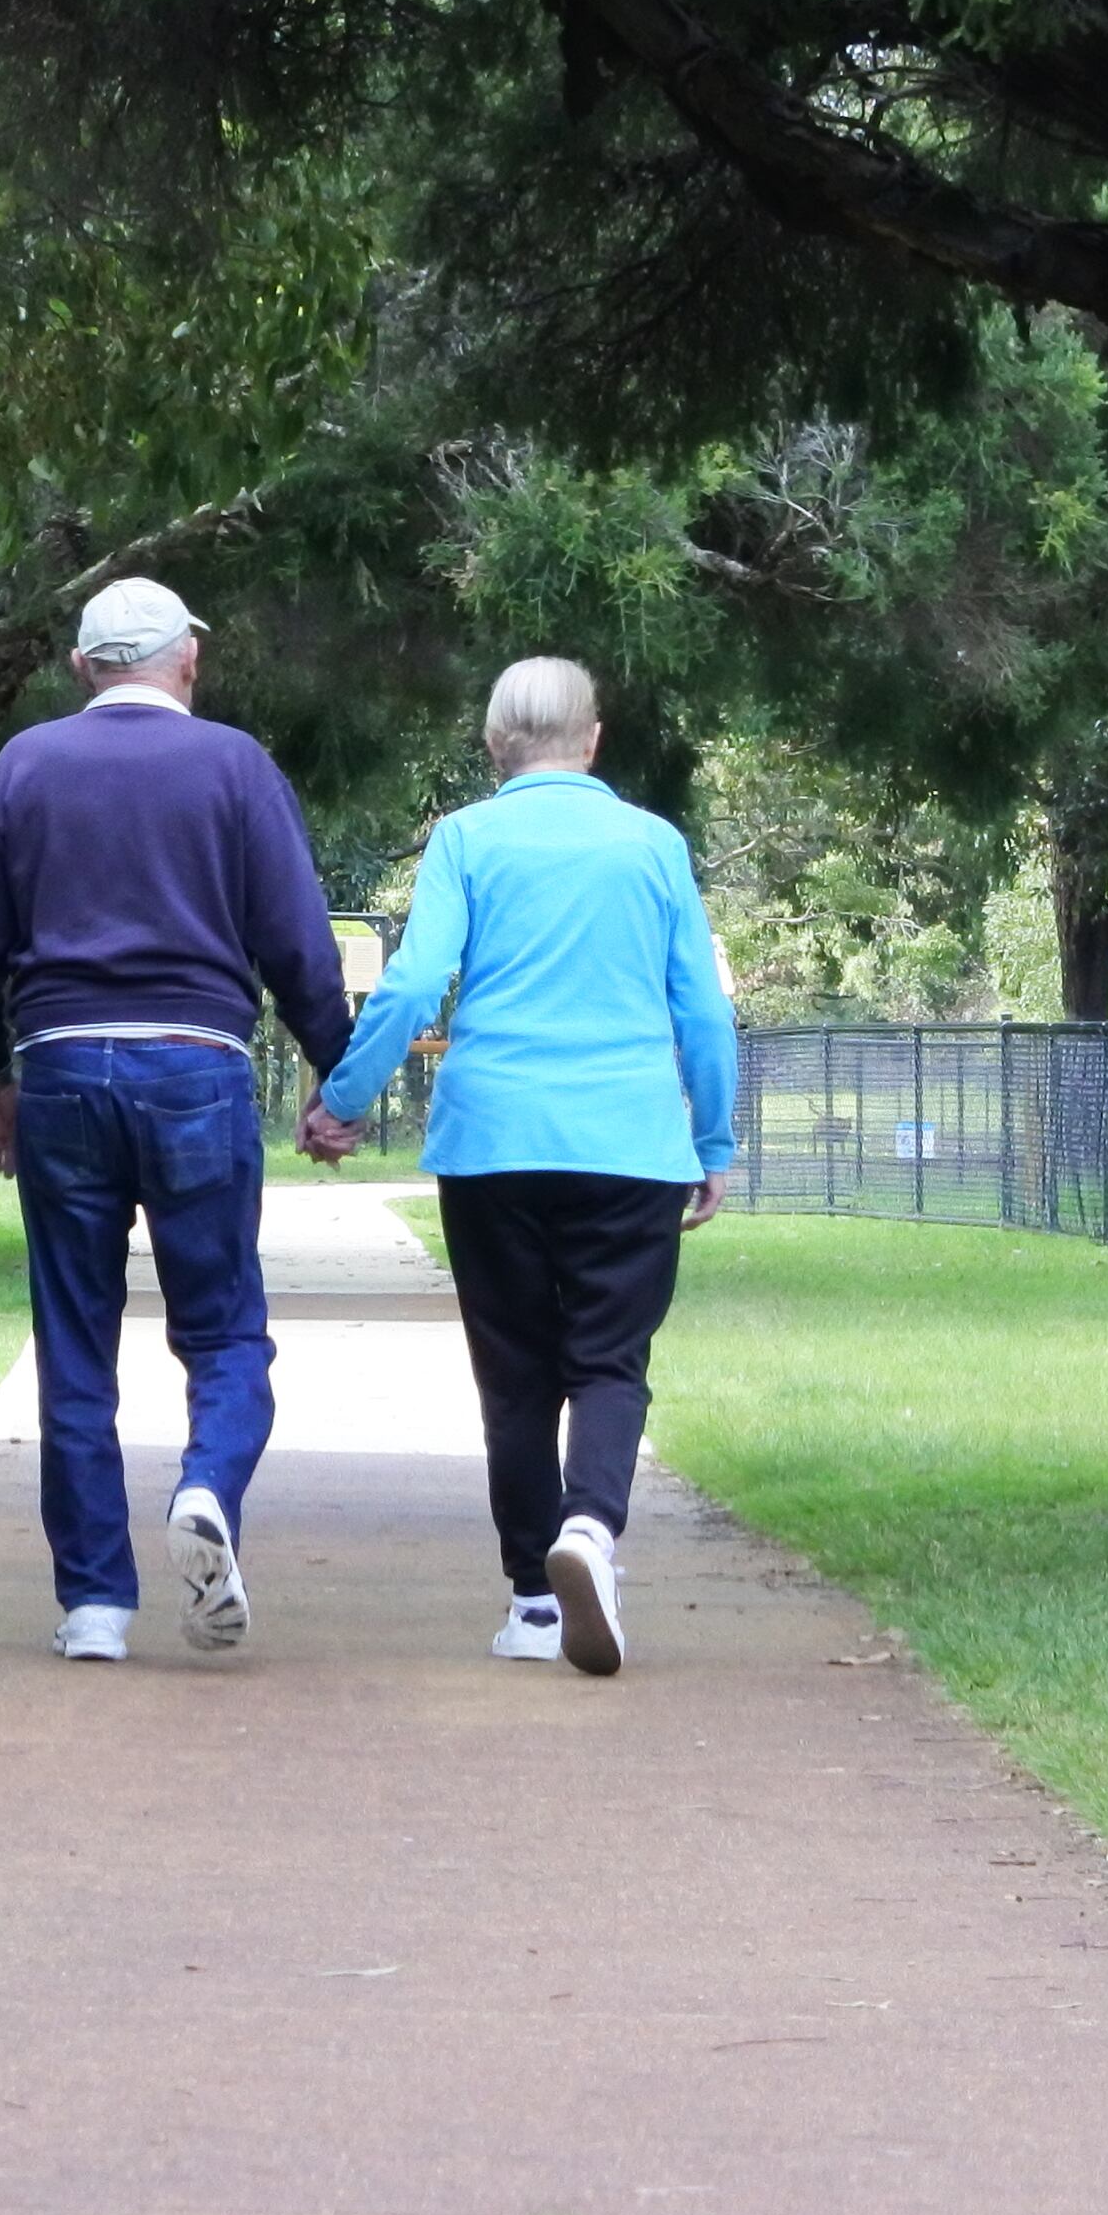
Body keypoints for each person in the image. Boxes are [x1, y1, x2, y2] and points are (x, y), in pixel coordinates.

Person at [0, 575, 357, 1663]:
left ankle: (92, 1606)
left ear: (82, 669)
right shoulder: (234, 767)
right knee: (222, 1332)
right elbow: (299, 946)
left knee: (73, 1339)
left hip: (63, 1070)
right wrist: (332, 1078)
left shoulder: (24, 767)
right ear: (188, 660)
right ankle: (206, 1486)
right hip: (196, 1069)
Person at [306, 656, 736, 1676]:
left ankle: (534, 1603)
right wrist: (710, 1140)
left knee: (514, 1379)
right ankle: (589, 1526)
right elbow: (701, 1010)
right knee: (607, 1362)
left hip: (493, 1143)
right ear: (592, 740)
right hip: (629, 1143)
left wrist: (342, 1097)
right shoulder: (650, 844)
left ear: (494, 747)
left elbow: (412, 983)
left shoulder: (465, 839)